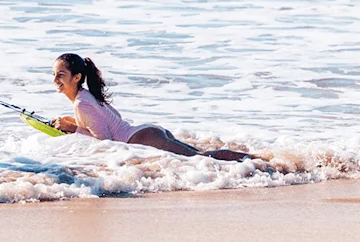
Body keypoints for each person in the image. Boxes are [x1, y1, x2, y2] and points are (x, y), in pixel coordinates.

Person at [49, 53, 253, 161]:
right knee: (204, 155)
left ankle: (261, 163)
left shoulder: (82, 103)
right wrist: (73, 122)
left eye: (60, 75)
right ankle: (253, 161)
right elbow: (111, 119)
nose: (55, 80)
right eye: (53, 74)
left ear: (76, 77)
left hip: (142, 138)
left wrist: (72, 129)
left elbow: (106, 140)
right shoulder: (87, 96)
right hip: (146, 132)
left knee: (202, 158)